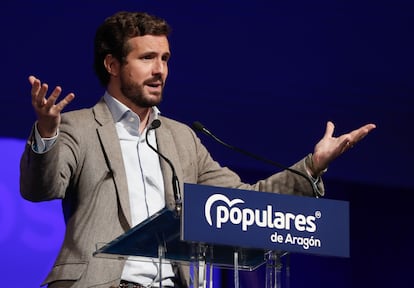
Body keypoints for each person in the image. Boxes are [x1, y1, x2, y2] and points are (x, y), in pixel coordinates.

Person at [20, 10, 376, 288]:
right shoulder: (77, 126)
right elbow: (41, 188)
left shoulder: (182, 138)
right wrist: (47, 132)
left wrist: (312, 166)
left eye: (165, 58)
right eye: (147, 58)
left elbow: (243, 204)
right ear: (112, 64)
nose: (160, 70)